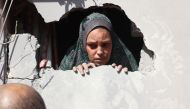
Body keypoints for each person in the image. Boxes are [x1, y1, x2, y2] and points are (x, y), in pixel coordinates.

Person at [59, 13, 138, 75]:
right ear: (83, 46)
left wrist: (125, 78)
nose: (100, 52)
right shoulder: (69, 64)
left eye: (105, 45)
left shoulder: (125, 65)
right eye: (92, 46)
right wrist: (75, 75)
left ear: (113, 44)